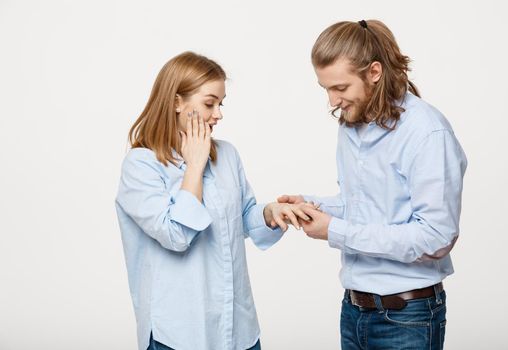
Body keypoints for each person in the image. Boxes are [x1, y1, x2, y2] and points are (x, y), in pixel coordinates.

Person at [278, 20, 467, 349]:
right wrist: (312, 206)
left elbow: (436, 237)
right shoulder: (352, 126)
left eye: (340, 88)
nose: (332, 100)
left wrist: (334, 230)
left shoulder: (427, 133)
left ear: (374, 72)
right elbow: (370, 207)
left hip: (408, 318)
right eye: (326, 89)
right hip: (353, 311)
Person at [115, 51, 309, 350]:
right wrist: (194, 165)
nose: (218, 114)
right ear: (176, 102)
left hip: (238, 329)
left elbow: (243, 216)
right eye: (209, 103)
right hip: (178, 334)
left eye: (221, 103)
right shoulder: (141, 165)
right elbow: (176, 236)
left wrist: (272, 212)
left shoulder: (227, 154)